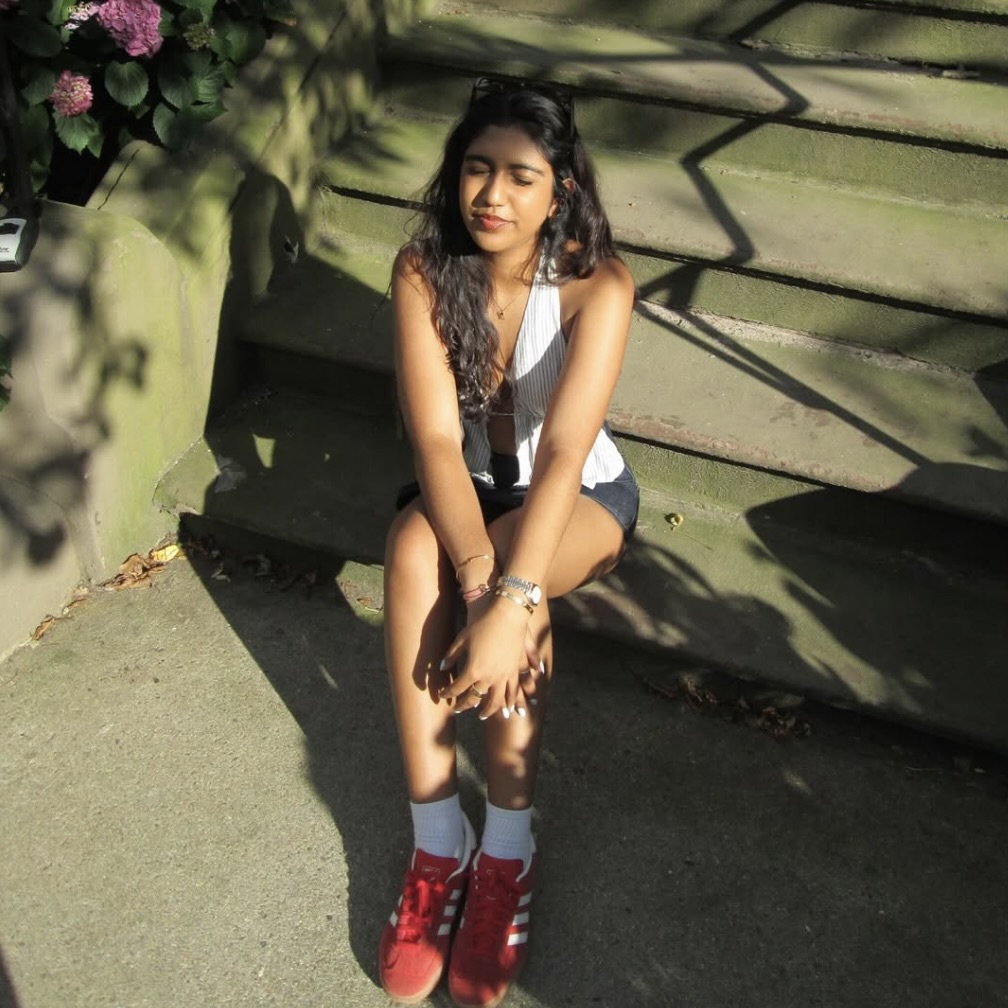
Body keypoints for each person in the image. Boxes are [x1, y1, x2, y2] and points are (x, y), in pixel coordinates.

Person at [379, 76, 639, 1008]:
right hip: (471, 485)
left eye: (521, 177)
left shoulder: (596, 284)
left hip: (580, 496)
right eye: (477, 171)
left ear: (560, 189)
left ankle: (509, 855)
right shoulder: (421, 269)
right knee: (414, 554)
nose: (493, 195)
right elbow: (438, 442)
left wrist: (511, 598)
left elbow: (567, 449)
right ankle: (438, 845)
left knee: (518, 590)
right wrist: (483, 581)